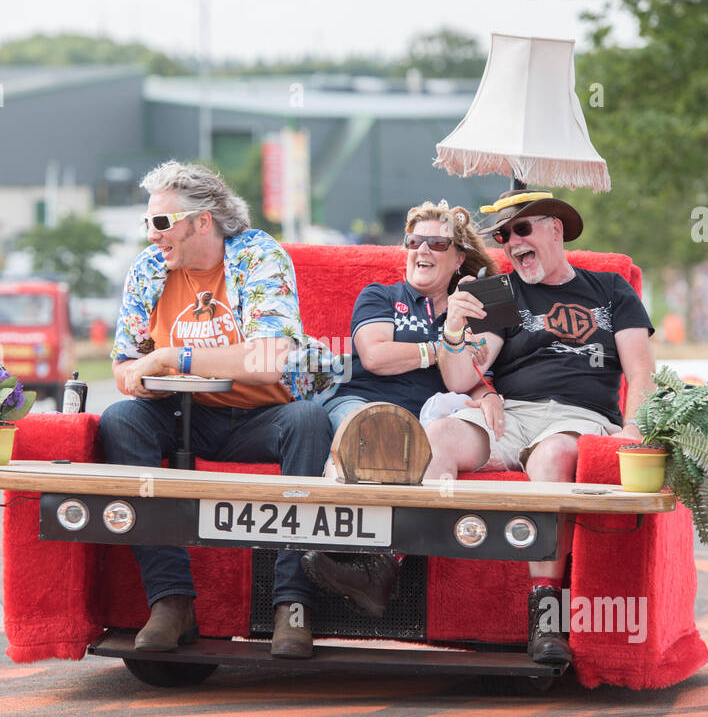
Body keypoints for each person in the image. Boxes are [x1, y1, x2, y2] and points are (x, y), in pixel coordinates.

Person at [98, 161, 334, 659]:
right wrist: (146, 378)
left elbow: (269, 362)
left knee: (310, 421)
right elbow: (123, 367)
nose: (152, 234)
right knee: (119, 420)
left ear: (202, 221)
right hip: (184, 415)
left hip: (263, 416)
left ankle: (293, 604)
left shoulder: (257, 256)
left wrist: (172, 357)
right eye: (148, 222)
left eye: (161, 222)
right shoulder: (148, 270)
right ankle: (171, 601)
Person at [423, 188, 657, 665]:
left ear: (556, 229)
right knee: (437, 436)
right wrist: (451, 331)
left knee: (554, 458)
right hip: (512, 412)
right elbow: (461, 378)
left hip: (580, 416)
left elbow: (641, 372)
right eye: (504, 236)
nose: (511, 243)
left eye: (522, 230)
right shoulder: (501, 290)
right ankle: (396, 567)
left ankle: (546, 614)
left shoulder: (612, 290)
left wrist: (633, 428)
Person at [302, 201, 499, 617]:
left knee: (412, 437)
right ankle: (331, 552)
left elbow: (463, 379)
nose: (422, 250)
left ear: (459, 258)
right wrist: (439, 347)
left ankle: (362, 568)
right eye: (414, 241)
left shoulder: (473, 310)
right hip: (360, 400)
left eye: (437, 242)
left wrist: (486, 392)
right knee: (364, 428)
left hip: (425, 418)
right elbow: (375, 357)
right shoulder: (381, 295)